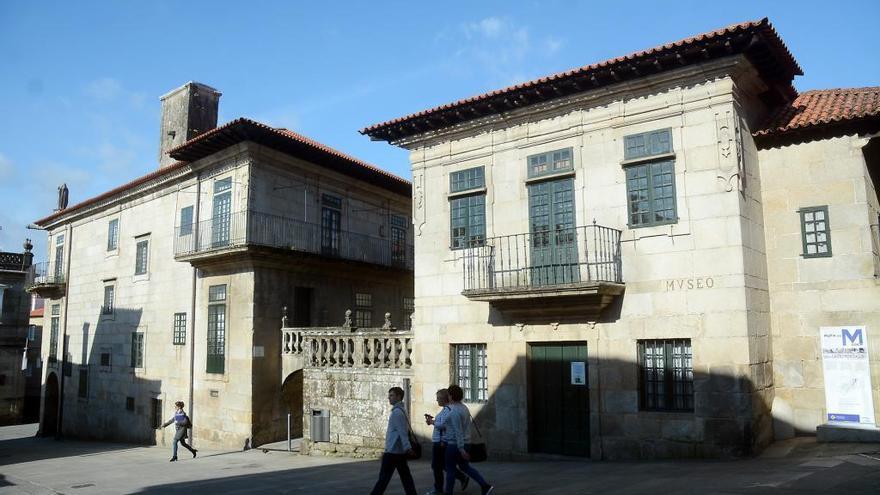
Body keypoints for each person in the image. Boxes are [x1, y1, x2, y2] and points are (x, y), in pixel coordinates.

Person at [444, 385, 493, 495]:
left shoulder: (454, 411)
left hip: (455, 444)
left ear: (451, 396)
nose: (448, 397)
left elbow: (458, 431)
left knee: (450, 469)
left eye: (448, 395)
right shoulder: (464, 408)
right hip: (466, 443)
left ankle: (448, 492)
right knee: (464, 467)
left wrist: (461, 449)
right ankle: (485, 486)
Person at [370, 386, 418, 495]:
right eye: (389, 395)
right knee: (405, 477)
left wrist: (408, 448)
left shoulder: (397, 413)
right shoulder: (401, 411)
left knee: (384, 478)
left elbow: (402, 433)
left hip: (393, 451)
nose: (389, 398)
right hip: (398, 451)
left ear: (399, 397)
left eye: (391, 395)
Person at [424, 389, 467, 495]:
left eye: (438, 398)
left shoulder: (448, 410)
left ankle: (439, 488)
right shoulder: (445, 409)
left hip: (441, 442)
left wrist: (432, 422)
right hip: (439, 441)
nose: (437, 400)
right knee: (442, 465)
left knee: (437, 466)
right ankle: (461, 477)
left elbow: (444, 425)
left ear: (445, 398)